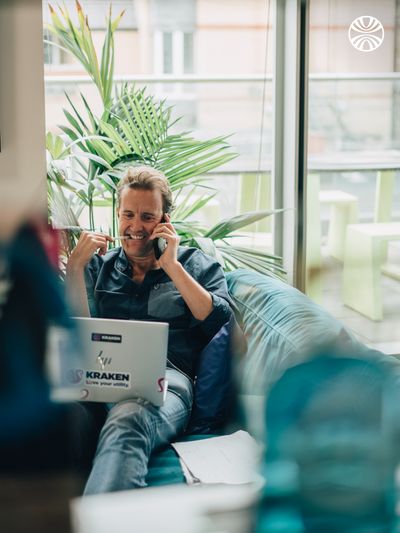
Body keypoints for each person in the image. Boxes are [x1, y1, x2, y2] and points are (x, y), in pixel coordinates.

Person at [66, 165, 233, 494]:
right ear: (118, 214)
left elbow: (220, 321)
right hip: (101, 381)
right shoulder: (98, 268)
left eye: (147, 216)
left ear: (165, 221)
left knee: (130, 416)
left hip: (166, 386)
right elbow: (76, 339)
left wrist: (172, 266)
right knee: (58, 422)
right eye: (128, 215)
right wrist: (74, 269)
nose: (135, 226)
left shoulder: (196, 265)